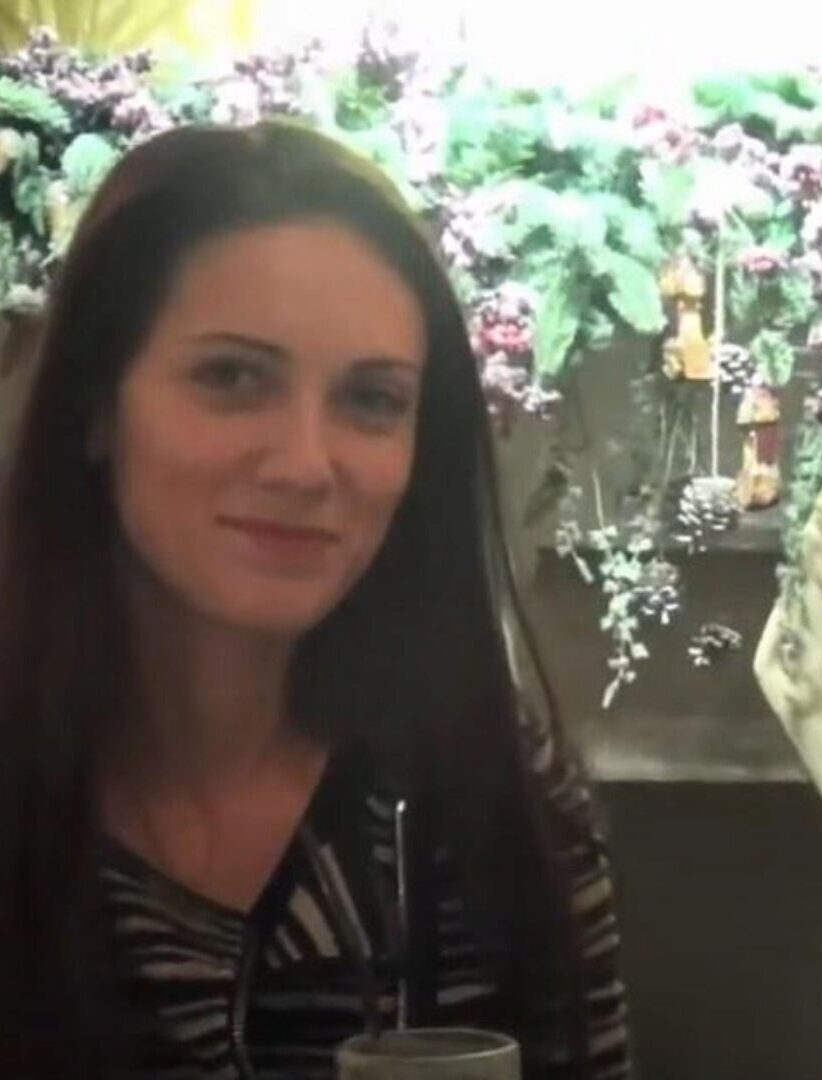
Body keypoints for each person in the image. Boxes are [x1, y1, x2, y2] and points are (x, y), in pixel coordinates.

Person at [0, 122, 629, 1080]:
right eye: (232, 378)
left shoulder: (486, 794)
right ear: (96, 405)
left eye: (371, 400)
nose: (305, 464)